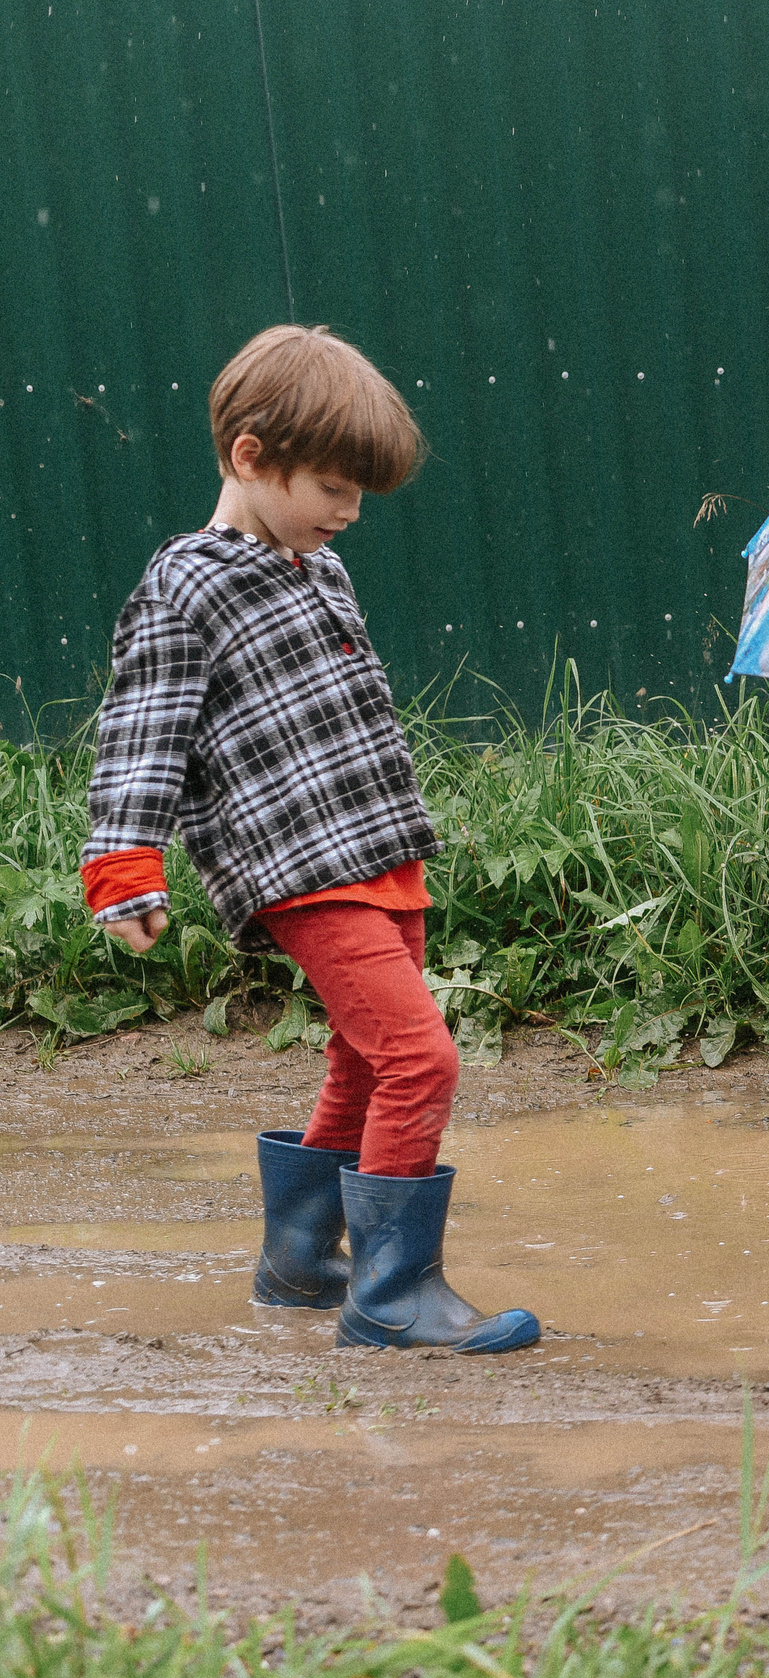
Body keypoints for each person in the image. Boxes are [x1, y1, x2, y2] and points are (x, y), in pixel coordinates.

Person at [79, 324, 540, 1353]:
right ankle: (390, 1292)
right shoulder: (186, 584)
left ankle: (300, 1259)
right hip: (300, 870)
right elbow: (141, 729)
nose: (349, 510)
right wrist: (123, 863)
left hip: (378, 854)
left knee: (369, 1062)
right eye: (333, 485)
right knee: (423, 1059)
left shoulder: (318, 571)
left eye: (359, 492)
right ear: (251, 455)